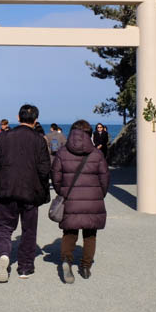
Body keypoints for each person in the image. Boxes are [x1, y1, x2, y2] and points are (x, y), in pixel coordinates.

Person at [0, 103, 51, 282]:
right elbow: (44, 168)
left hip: (7, 189)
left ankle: (3, 253)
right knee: (29, 230)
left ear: (18, 117)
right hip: (31, 191)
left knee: (4, 226)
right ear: (36, 120)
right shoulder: (40, 140)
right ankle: (25, 267)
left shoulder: (5, 137)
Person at [51, 119, 110, 283]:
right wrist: (99, 194)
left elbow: (55, 177)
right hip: (93, 200)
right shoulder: (97, 154)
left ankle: (66, 261)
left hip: (70, 199)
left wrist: (62, 192)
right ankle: (85, 267)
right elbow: (105, 179)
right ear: (89, 134)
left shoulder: (63, 153)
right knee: (90, 234)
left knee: (69, 232)